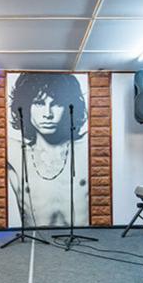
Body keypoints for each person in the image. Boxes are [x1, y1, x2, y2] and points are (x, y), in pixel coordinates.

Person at [8, 73, 89, 227]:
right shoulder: (14, 153)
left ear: (69, 108)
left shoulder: (87, 148)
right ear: (26, 107)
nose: (48, 114)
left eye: (56, 104)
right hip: (35, 239)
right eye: (39, 103)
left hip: (81, 237)